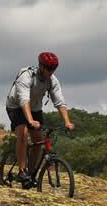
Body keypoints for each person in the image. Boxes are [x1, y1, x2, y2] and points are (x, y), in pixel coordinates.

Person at [5, 51, 74, 188]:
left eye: (54, 68)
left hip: (35, 108)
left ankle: (31, 174)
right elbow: (24, 100)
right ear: (41, 66)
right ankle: (22, 171)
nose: (51, 71)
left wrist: (67, 122)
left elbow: (60, 102)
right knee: (23, 134)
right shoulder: (26, 76)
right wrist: (30, 121)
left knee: (38, 140)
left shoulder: (52, 81)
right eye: (49, 68)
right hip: (17, 106)